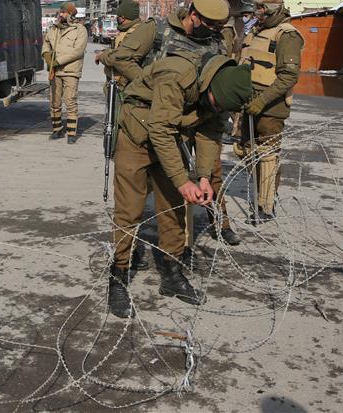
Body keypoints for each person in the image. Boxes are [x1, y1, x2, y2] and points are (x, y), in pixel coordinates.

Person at [108, 54, 253, 318]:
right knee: (129, 211)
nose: (217, 110)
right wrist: (182, 180)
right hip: (135, 138)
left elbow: (210, 132)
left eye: (222, 108)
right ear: (210, 87)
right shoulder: (177, 75)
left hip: (169, 141)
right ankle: (118, 276)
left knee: (174, 208)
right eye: (216, 104)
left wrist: (204, 177)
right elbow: (160, 129)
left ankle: (172, 274)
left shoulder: (220, 97)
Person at [239, 0, 304, 223]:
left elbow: (288, 76)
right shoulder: (256, 31)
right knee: (246, 152)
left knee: (267, 157)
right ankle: (259, 194)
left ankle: (265, 205)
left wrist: (262, 101)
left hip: (271, 107)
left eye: (260, 7)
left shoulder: (287, 35)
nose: (255, 12)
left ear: (271, 8)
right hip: (248, 103)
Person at [41, 3, 88, 143]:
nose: (60, 15)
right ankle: (57, 130)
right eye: (60, 12)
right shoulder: (54, 29)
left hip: (70, 72)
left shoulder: (80, 30)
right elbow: (46, 43)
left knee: (70, 101)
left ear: (71, 14)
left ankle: (71, 133)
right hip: (55, 71)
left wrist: (58, 61)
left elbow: (77, 51)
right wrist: (46, 55)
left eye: (63, 12)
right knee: (54, 102)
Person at [95, 0, 156, 88]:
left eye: (118, 17)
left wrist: (102, 55)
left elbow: (118, 58)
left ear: (123, 18)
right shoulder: (128, 30)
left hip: (126, 86)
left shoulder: (136, 32)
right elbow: (119, 50)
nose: (117, 20)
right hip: (117, 83)